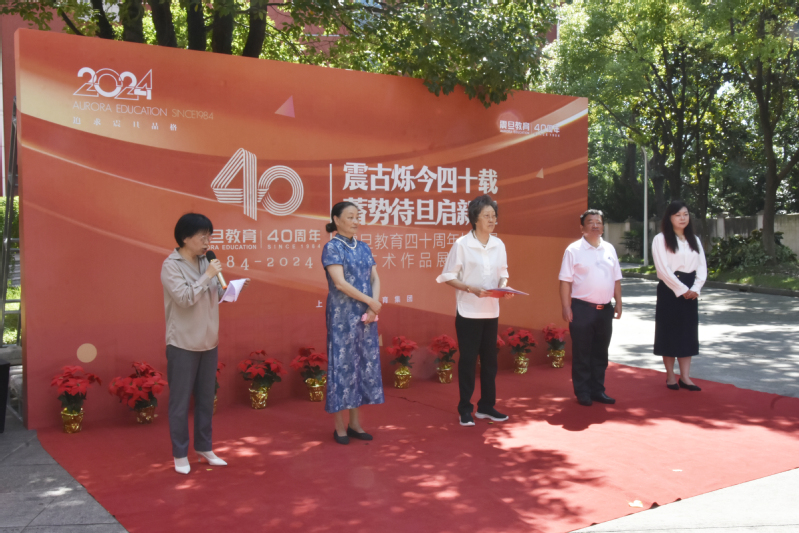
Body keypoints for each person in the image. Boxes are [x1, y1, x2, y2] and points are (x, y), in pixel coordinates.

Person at [161, 213, 250, 474]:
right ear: (185, 237)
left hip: (209, 342)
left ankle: (204, 447)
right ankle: (180, 454)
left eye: (209, 236)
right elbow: (184, 299)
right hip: (183, 343)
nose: (207, 242)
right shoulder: (171, 265)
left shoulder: (206, 261)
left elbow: (215, 294)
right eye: (202, 236)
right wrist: (207, 275)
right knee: (179, 403)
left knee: (206, 399)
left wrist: (231, 289)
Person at [436, 194, 514, 427]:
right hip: (468, 312)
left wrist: (504, 287)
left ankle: (487, 406)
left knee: (490, 362)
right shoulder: (462, 244)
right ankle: (465, 409)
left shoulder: (499, 244)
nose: (492, 220)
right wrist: (470, 288)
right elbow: (448, 276)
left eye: (494, 215)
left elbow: (503, 272)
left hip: (491, 311)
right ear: (475, 218)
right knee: (468, 362)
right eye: (486, 215)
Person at [322, 201, 384, 445]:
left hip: (366, 315)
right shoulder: (332, 247)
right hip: (342, 316)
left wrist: (372, 307)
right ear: (336, 220)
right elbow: (340, 283)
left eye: (357, 216)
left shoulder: (364, 247)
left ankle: (355, 424)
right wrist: (370, 301)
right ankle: (339, 426)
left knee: (361, 364)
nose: (356, 221)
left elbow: (375, 278)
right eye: (350, 216)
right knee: (342, 366)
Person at [558, 209, 622, 406]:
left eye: (598, 222)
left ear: (603, 226)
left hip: (605, 309)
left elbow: (616, 278)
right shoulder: (573, 250)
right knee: (582, 353)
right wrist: (566, 306)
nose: (595, 225)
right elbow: (565, 281)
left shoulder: (609, 248)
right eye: (591, 222)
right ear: (582, 227)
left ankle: (597, 390)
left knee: (600, 353)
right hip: (582, 309)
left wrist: (619, 302)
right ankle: (583, 392)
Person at [652, 200, 707, 392]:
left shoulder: (694, 240)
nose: (682, 218)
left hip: (691, 290)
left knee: (687, 333)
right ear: (669, 217)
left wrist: (696, 288)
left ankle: (685, 377)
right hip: (670, 289)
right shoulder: (661, 239)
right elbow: (663, 269)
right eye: (678, 215)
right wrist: (682, 289)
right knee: (669, 332)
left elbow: (702, 267)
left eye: (685, 214)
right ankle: (670, 376)